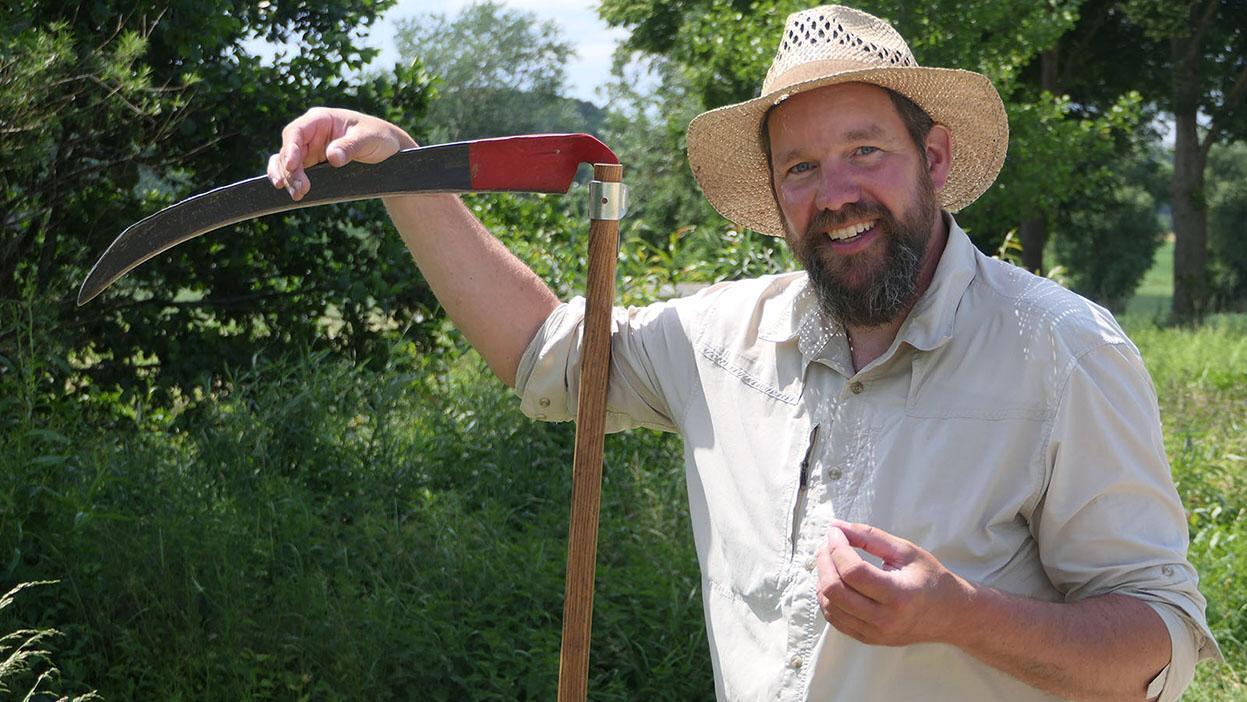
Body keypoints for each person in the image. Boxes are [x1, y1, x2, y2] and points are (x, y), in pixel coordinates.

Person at [267, 5, 1218, 700]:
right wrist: (405, 175)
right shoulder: (725, 341)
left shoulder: (1062, 353)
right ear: (773, 194)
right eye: (800, 167)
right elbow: (546, 356)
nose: (834, 191)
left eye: (864, 151)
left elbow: (1155, 641)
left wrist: (961, 615)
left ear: (932, 159)